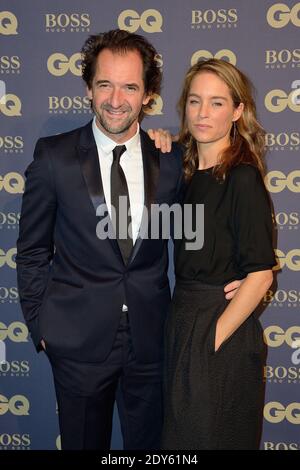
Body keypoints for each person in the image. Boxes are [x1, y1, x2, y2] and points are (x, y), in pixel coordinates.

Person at [16, 30, 239, 450]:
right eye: (105, 84)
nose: (116, 99)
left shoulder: (171, 158)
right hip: (75, 342)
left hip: (151, 341)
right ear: (88, 88)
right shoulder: (53, 157)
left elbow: (206, 224)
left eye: (130, 87)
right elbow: (31, 251)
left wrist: (247, 273)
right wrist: (41, 325)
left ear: (148, 95)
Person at [162, 59, 276, 450]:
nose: (203, 113)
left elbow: (261, 274)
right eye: (195, 102)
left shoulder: (241, 178)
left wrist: (211, 339)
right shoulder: (186, 173)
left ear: (238, 111)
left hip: (218, 332)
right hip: (182, 322)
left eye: (216, 103)